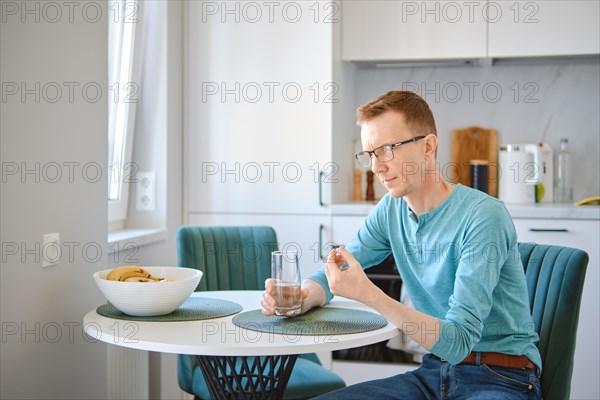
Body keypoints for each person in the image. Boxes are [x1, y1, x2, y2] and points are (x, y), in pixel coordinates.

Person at [261, 90, 542, 399]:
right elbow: (338, 267)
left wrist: (367, 294)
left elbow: (459, 341)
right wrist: (304, 295)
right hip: (434, 373)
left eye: (387, 149)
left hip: (500, 377)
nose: (376, 167)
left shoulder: (483, 216)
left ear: (428, 147)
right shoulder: (391, 210)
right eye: (369, 154)